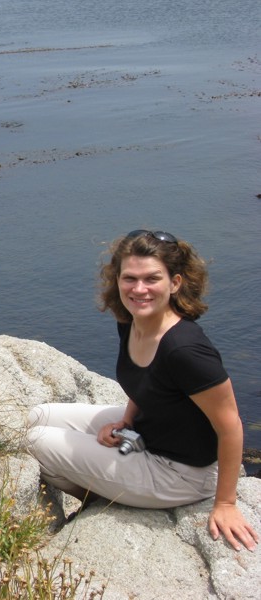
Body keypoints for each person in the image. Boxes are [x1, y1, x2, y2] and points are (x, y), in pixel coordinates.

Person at [26, 229, 258, 552]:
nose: (139, 289)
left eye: (152, 279)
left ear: (175, 283)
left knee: (34, 441)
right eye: (129, 278)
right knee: (36, 416)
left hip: (182, 474)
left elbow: (231, 425)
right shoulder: (130, 319)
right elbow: (146, 383)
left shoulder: (185, 350)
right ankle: (110, 489)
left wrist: (227, 503)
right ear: (117, 279)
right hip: (146, 436)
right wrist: (128, 420)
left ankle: (105, 498)